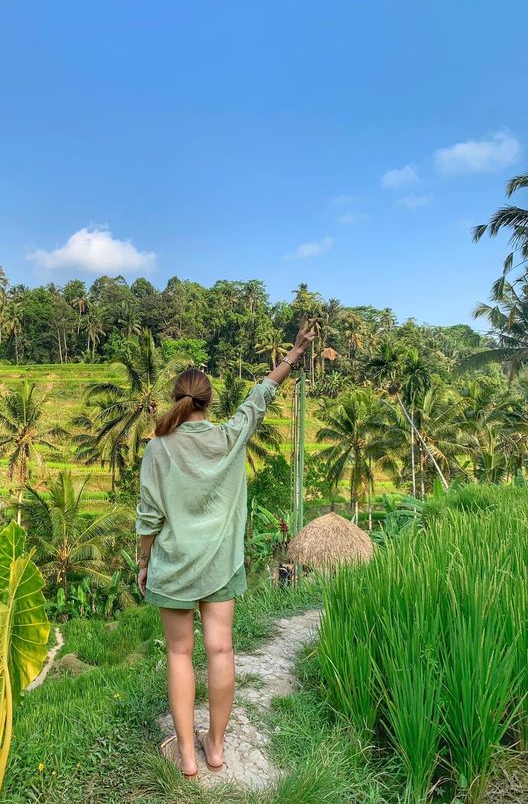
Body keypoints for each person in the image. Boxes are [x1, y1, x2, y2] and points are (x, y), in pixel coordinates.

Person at [135, 317, 316, 778]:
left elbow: (149, 517)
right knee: (220, 651)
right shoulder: (230, 436)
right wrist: (294, 355)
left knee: (179, 654)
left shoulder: (158, 448)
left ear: (177, 400)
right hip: (221, 564)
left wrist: (142, 562)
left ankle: (188, 757)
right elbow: (262, 395)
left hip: (173, 566)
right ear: (208, 401)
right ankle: (215, 748)